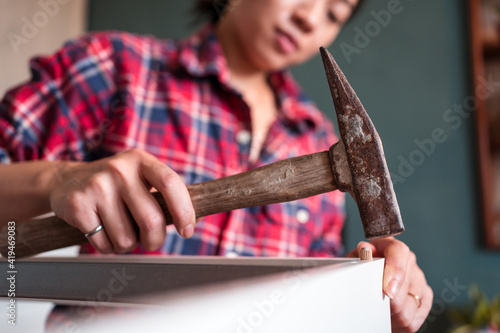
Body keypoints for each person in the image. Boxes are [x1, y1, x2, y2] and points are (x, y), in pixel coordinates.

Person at [0, 0, 433, 331]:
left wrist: (362, 291)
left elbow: (306, 313)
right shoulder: (115, 67)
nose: (311, 17)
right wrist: (55, 177)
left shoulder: (317, 137)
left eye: (335, 12)